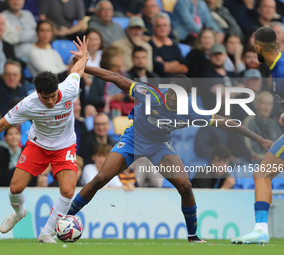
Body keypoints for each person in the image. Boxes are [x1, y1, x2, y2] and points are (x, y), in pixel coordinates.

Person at [66, 60, 273, 243]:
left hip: (159, 145)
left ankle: (193, 236)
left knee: (185, 185)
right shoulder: (152, 94)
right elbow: (115, 78)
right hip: (134, 138)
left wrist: (260, 139)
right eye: (172, 92)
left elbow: (227, 123)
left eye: (179, 95)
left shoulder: (190, 110)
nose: (173, 97)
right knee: (101, 178)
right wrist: (84, 67)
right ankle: (66, 218)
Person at [0, 36, 89, 243]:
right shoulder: (29, 103)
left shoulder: (69, 89)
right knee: (15, 188)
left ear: (57, 90)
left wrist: (84, 55)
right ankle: (19, 212)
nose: (50, 101)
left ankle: (46, 232)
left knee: (68, 191)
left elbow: (77, 71)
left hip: (65, 145)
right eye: (45, 97)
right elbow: (1, 125)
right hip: (38, 145)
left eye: (52, 96)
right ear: (37, 93)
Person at [231, 26, 284, 244]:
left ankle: (261, 229)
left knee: (261, 175)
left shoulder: (280, 70)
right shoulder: (276, 67)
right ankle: (261, 229)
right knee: (261, 175)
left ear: (258, 47)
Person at [244, 91, 282, 161]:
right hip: (256, 163)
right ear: (256, 104)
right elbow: (253, 151)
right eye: (263, 103)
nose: (266, 107)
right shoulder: (249, 122)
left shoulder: (274, 124)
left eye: (269, 104)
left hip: (274, 162)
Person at [149, 12, 188, 78]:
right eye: (159, 26)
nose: (162, 28)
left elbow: (185, 68)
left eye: (165, 25)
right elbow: (159, 68)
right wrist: (176, 63)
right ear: (153, 28)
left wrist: (165, 64)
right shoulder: (149, 46)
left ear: (169, 28)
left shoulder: (174, 45)